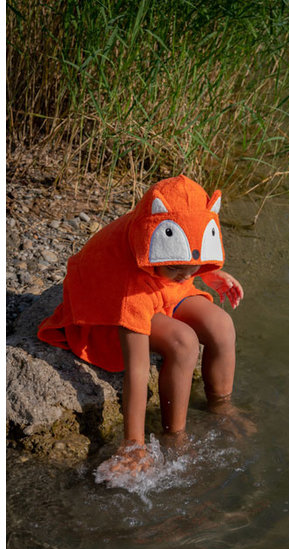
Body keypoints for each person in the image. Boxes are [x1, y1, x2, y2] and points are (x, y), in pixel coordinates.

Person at [37, 175, 250, 472]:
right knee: (182, 342)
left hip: (159, 284)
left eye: (193, 269)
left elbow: (185, 242)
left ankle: (221, 405)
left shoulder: (172, 265)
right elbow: (136, 369)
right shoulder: (130, 285)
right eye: (180, 269)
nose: (188, 276)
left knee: (221, 324)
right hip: (112, 301)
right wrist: (133, 444)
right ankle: (174, 435)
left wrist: (206, 273)